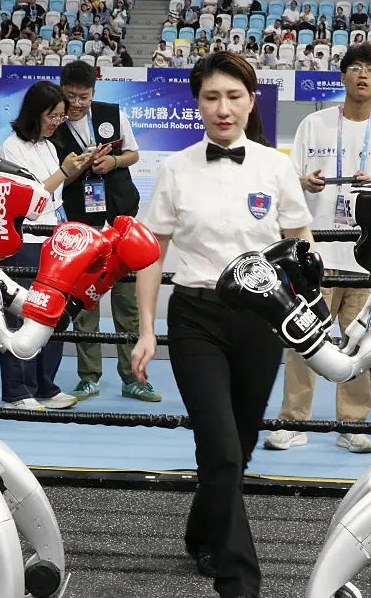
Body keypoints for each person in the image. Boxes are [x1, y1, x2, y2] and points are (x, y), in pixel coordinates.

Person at [131, 52, 313, 598]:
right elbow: (149, 254)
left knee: (239, 443)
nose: (223, 108)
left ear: (252, 100)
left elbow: (302, 245)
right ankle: (239, 582)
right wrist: (146, 329)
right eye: (211, 97)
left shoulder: (275, 166)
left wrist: (307, 315)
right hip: (196, 317)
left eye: (234, 96)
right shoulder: (175, 168)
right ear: (197, 103)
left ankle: (201, 531)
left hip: (262, 319)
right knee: (223, 446)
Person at [265, 43, 371, 455]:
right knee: (302, 339)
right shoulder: (314, 124)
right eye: (355, 68)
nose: (362, 75)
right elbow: (288, 181)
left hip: (366, 260)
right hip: (315, 255)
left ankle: (352, 422)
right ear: (343, 76)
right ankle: (294, 420)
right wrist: (304, 182)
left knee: (360, 342)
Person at [0, 81, 106, 411]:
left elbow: (53, 194)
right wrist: (62, 172)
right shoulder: (11, 147)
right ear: (35, 113)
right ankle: (17, 391)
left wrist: (80, 165)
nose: (56, 122)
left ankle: (45, 385)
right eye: (52, 115)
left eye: (61, 117)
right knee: (23, 317)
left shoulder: (47, 145)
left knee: (54, 316)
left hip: (55, 244)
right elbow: (28, 203)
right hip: (25, 242)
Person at [52, 61, 157, 402]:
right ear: (61, 91)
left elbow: (134, 154)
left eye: (84, 97)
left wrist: (113, 162)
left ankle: (134, 378)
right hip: (81, 227)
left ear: (94, 94)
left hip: (121, 224)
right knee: (85, 307)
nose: (77, 103)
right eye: (71, 96)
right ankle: (88, 378)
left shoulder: (112, 114)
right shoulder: (52, 125)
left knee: (127, 307)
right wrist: (74, 169)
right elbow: (53, 178)